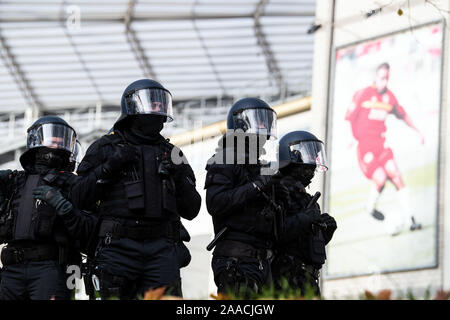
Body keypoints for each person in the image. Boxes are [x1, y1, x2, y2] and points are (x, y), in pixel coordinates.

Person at [71, 79, 201, 299]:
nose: (156, 108)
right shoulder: (105, 147)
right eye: (151, 102)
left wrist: (178, 176)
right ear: (131, 108)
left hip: (162, 250)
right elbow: (78, 197)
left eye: (160, 103)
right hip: (117, 248)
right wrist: (110, 166)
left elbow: (192, 209)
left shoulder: (173, 153)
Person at [205, 97, 282, 298]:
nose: (264, 126)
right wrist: (256, 186)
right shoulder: (224, 159)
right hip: (236, 259)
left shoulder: (262, 166)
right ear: (240, 125)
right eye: (259, 121)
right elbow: (216, 203)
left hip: (263, 261)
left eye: (266, 121)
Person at [0, 116, 81, 300]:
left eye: (62, 139)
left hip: (49, 269)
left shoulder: (72, 183)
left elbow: (87, 227)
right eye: (53, 137)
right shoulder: (15, 181)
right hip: (11, 269)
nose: (57, 142)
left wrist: (65, 207)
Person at [345, 62, 424, 236]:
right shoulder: (363, 94)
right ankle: (370, 206)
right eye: (382, 78)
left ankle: (411, 219)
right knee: (380, 178)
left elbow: (403, 116)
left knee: (396, 174)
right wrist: (351, 138)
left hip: (381, 144)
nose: (384, 82)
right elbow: (350, 117)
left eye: (387, 78)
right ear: (375, 77)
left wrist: (418, 132)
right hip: (366, 147)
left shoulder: (389, 97)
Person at [271, 130, 337, 297]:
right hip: (285, 278)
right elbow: (276, 233)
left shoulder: (306, 198)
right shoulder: (278, 190)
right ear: (292, 157)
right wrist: (306, 218)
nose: (313, 164)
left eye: (315, 157)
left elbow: (306, 243)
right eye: (309, 156)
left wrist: (325, 231)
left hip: (307, 279)